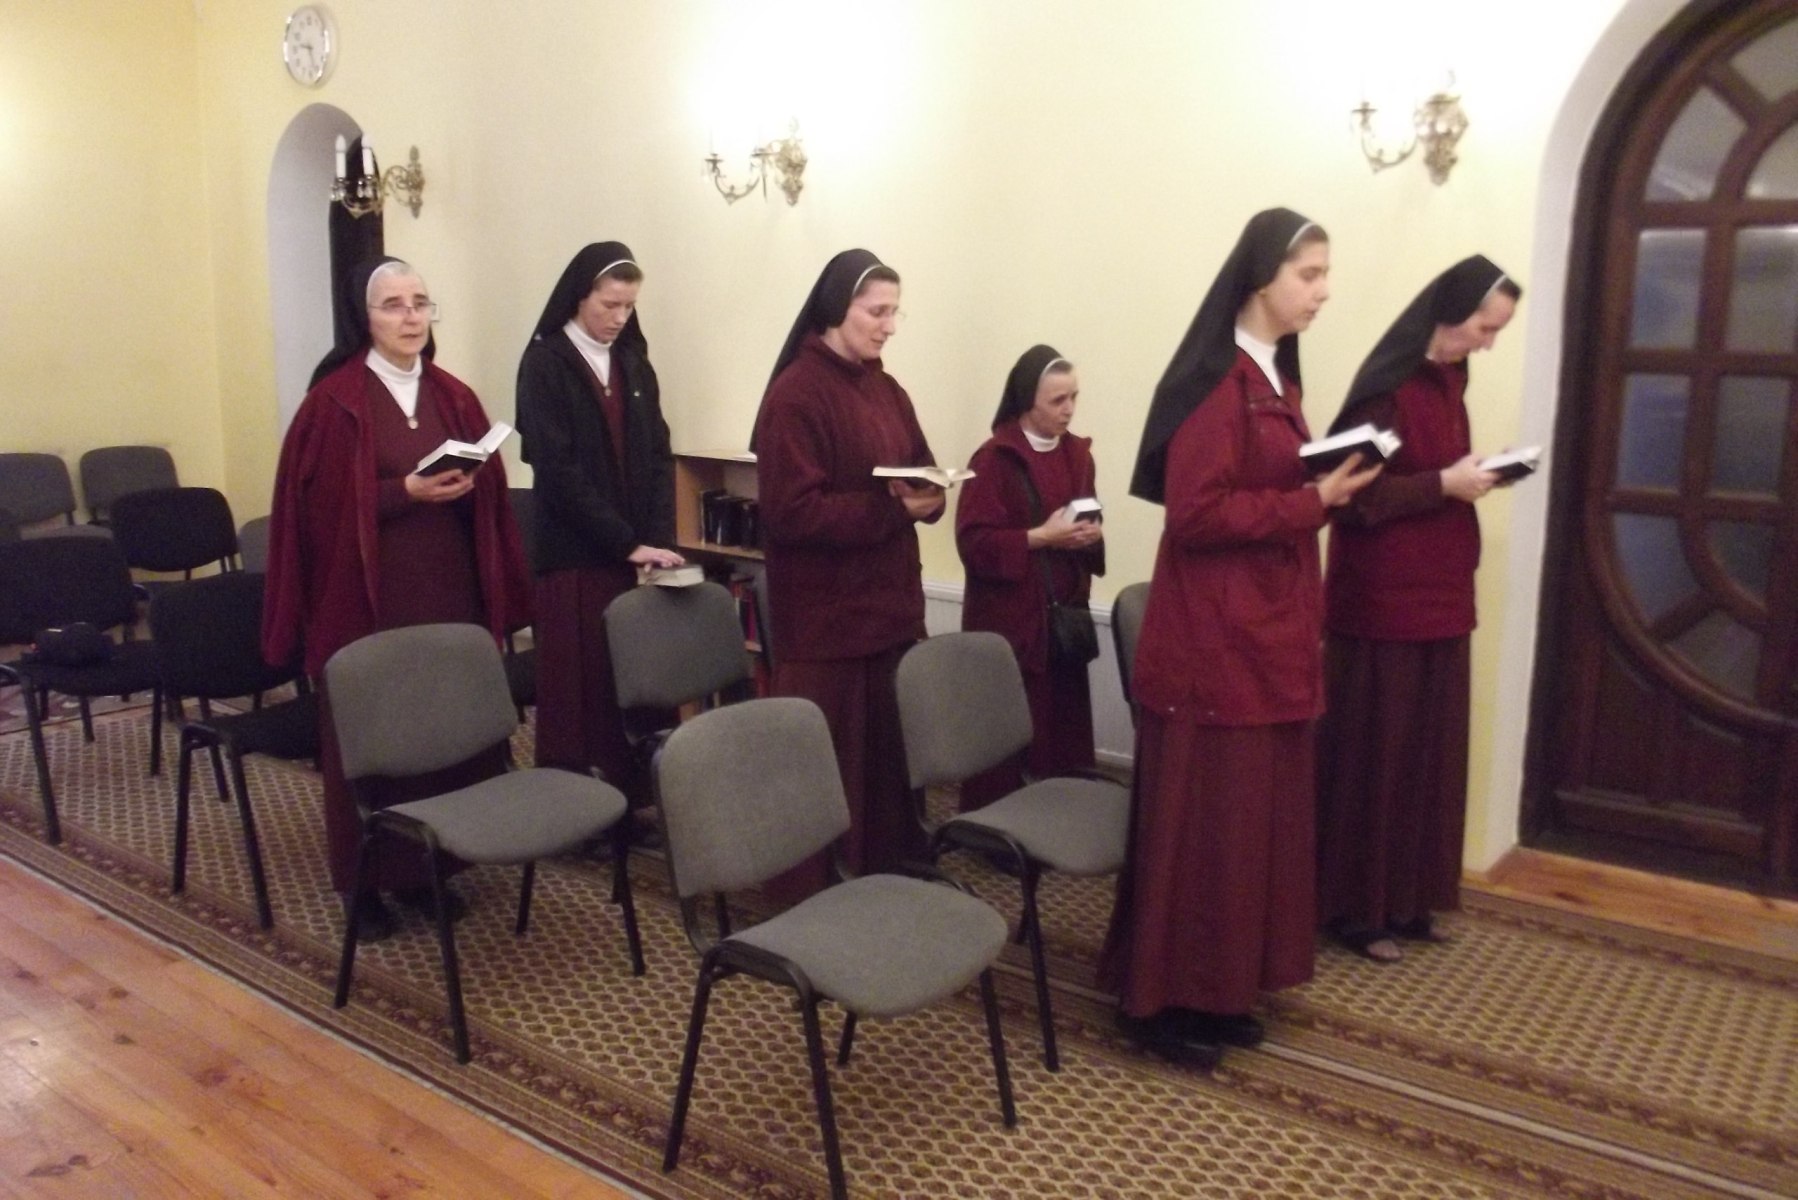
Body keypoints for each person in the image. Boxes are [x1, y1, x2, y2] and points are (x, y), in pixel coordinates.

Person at [1099, 209, 1382, 1067]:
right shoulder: (1216, 382)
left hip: (1262, 634)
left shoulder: (1274, 375)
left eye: (1325, 274)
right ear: (1262, 275)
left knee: (1244, 832)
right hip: (1213, 644)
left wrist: (1323, 483)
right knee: (1202, 831)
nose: (1323, 291)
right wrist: (1313, 501)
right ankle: (1159, 1003)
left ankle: (1218, 991)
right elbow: (1195, 516)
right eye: (1309, 274)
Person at [263, 256, 531, 942]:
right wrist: (401, 492)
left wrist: (470, 483)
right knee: (373, 737)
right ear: (365, 317)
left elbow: (492, 500)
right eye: (394, 305)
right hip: (367, 600)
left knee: (442, 731)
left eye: (420, 303)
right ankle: (365, 882)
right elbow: (314, 512)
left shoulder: (454, 395)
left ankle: (428, 870)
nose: (411, 317)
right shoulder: (333, 403)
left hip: (446, 591)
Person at [1315, 256, 1522, 964]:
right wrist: (1444, 484)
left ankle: (1407, 900)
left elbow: (1429, 476)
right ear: (1451, 312)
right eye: (1485, 328)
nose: (1488, 344)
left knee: (1426, 759)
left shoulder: (1450, 380)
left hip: (1441, 598)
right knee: (1377, 760)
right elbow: (1352, 496)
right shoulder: (1388, 390)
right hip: (1381, 606)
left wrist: (1468, 479)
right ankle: (1355, 910)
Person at [752, 249, 941, 897]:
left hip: (888, 609)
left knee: (885, 763)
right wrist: (892, 511)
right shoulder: (795, 395)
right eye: (877, 311)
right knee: (826, 768)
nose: (889, 326)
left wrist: (932, 495)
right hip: (826, 619)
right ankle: (810, 893)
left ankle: (880, 876)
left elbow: (922, 465)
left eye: (895, 312)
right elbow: (791, 513)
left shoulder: (889, 390)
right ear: (838, 308)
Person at [515, 242, 682, 802]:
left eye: (629, 306)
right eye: (609, 305)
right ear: (578, 297)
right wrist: (623, 542)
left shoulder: (633, 362)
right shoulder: (546, 364)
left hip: (637, 557)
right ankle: (577, 807)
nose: (619, 318)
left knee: (635, 686)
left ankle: (636, 801)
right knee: (582, 693)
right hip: (576, 558)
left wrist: (656, 540)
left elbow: (659, 454)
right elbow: (557, 469)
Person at [955, 345, 1104, 809]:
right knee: (1009, 739)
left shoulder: (1078, 455)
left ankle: (1062, 821)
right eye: (1057, 400)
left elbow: (1087, 517)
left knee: (1063, 734)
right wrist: (1040, 537)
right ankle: (996, 828)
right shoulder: (994, 460)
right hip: (1012, 624)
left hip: (1063, 622)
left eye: (1074, 397)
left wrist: (1089, 535)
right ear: (1026, 400)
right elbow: (974, 544)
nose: (1069, 410)